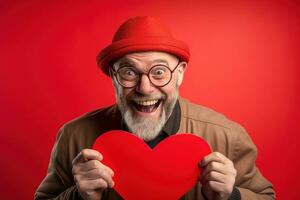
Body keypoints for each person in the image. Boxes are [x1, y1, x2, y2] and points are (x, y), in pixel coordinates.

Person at [35, 16, 275, 200]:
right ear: (113, 76)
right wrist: (77, 196)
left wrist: (231, 196)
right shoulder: (73, 136)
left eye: (159, 72)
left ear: (180, 74)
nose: (145, 87)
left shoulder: (228, 137)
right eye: (129, 72)